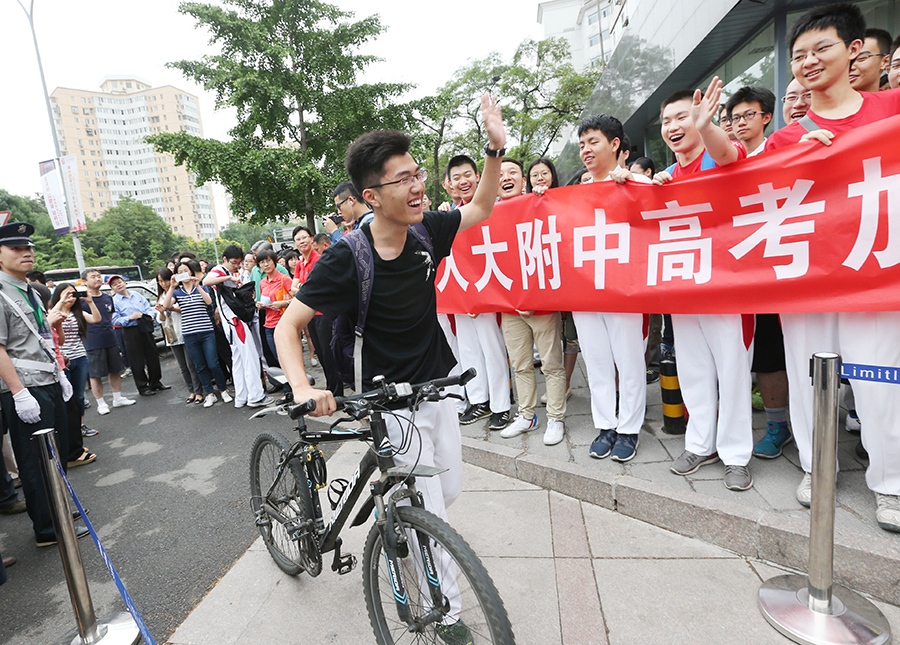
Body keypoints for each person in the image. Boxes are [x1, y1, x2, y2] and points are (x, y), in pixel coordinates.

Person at [276, 95, 505, 641]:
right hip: (383, 399)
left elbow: (481, 209)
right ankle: (441, 612)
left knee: (447, 490)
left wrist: (495, 147)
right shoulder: (345, 256)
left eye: (417, 172)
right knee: (426, 507)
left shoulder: (427, 232)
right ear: (371, 196)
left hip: (434, 384)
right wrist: (304, 386)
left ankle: (411, 536)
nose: (418, 185)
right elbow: (288, 325)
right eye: (403, 179)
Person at [764, 2, 900, 532]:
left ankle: (889, 484)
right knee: (809, 379)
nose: (809, 61)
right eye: (799, 54)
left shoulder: (889, 113)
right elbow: (747, 192)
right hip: (807, 281)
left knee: (879, 382)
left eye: (822, 48)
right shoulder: (786, 138)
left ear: (855, 50)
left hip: (876, 278)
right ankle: (818, 467)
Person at [653, 81, 755, 492]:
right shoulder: (666, 178)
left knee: (732, 372)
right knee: (694, 371)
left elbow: (727, 152)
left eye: (683, 117)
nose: (675, 126)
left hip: (730, 291)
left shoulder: (724, 158)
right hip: (684, 289)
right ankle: (700, 445)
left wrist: (708, 125)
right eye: (667, 121)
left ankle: (735, 456)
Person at [566, 115, 650, 463]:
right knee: (598, 362)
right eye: (582, 144)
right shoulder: (573, 196)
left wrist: (635, 181)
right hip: (586, 292)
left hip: (627, 294)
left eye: (594, 142)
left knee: (629, 362)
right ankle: (606, 425)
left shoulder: (637, 186)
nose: (586, 150)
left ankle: (629, 429)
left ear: (616, 145)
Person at [0, 222, 89, 546]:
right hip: (26, 387)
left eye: (28, 248)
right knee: (36, 460)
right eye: (16, 249)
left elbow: (40, 337)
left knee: (55, 455)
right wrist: (18, 392)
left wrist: (60, 374)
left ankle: (60, 511)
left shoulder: (27, 289)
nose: (26, 253)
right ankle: (48, 528)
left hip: (48, 379)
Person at [496, 157, 568, 445]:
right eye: (500, 174)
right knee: (521, 364)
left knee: (551, 363)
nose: (506, 177)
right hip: (509, 305)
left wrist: (543, 196)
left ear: (522, 180)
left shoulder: (539, 203)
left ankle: (556, 418)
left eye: (512, 171)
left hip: (542, 302)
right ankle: (526, 415)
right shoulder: (488, 214)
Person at [447, 154, 512, 431]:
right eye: (457, 177)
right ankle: (478, 400)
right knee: (469, 349)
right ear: (450, 183)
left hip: (489, 290)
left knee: (492, 348)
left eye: (467, 175)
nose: (463, 181)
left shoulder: (496, 208)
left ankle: (501, 405)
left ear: (478, 177)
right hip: (461, 292)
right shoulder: (452, 216)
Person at [203, 246, 271, 408]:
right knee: (250, 358)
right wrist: (230, 279)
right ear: (225, 259)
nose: (236, 266)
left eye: (238, 263)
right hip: (235, 322)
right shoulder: (220, 271)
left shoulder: (225, 272)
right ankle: (255, 396)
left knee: (239, 360)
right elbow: (206, 281)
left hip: (232, 323)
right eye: (234, 263)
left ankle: (242, 397)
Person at [162, 260, 232, 408]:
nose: (183, 274)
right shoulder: (177, 292)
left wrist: (197, 285)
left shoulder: (200, 287)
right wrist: (172, 287)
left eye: (185, 270)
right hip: (189, 333)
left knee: (213, 363)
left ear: (191, 272)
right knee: (200, 366)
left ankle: (223, 390)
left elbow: (208, 302)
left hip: (207, 331)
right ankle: (210, 393)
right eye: (180, 271)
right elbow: (167, 306)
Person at [51, 283, 100, 465]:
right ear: (59, 296)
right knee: (67, 400)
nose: (70, 298)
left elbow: (96, 318)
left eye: (73, 295)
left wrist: (89, 301)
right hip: (63, 360)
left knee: (78, 397)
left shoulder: (77, 312)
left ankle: (78, 429)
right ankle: (70, 438)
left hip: (80, 357)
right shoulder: (53, 312)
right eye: (66, 295)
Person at [81, 268, 135, 415]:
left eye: (99, 276)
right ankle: (100, 403)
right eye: (93, 277)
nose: (97, 279)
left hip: (110, 338)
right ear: (85, 282)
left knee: (115, 370)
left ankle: (117, 398)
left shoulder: (107, 297)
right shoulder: (82, 300)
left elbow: (110, 317)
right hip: (92, 340)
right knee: (95, 374)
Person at [110, 275, 168, 396]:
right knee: (137, 360)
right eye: (114, 284)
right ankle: (143, 387)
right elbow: (115, 320)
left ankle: (156, 382)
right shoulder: (115, 301)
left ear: (125, 282)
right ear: (112, 289)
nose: (118, 285)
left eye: (119, 282)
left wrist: (150, 315)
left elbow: (147, 307)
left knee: (153, 355)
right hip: (130, 330)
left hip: (145, 326)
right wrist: (130, 317)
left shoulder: (137, 295)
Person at [155, 268, 204, 405]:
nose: (163, 284)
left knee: (191, 364)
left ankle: (198, 390)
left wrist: (172, 308)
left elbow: (188, 309)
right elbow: (161, 319)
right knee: (182, 366)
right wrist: (162, 312)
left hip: (186, 331)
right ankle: (192, 391)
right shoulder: (161, 297)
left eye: (165, 280)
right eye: (160, 281)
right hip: (172, 335)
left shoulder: (180, 291)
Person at [257, 248, 295, 404]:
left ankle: (294, 390)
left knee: (289, 359)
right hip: (269, 324)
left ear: (274, 261)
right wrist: (260, 304)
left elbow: (299, 298)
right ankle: (288, 391)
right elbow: (264, 300)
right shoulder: (262, 282)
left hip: (284, 324)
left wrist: (283, 303)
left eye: (268, 261)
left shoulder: (284, 279)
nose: (265, 264)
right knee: (279, 360)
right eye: (262, 262)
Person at [725, 86, 775, 156]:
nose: (741, 122)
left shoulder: (776, 153)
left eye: (749, 114)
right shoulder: (727, 160)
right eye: (736, 118)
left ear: (766, 118)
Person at [849, 28, 892, 93]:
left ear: (885, 62)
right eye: (847, 60)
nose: (851, 67)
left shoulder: (892, 102)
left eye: (861, 58)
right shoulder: (832, 102)